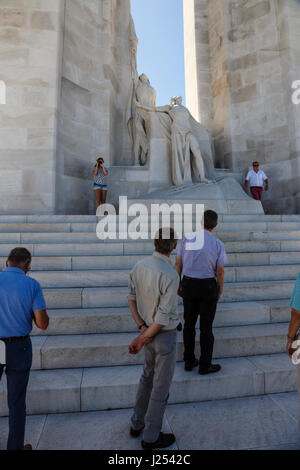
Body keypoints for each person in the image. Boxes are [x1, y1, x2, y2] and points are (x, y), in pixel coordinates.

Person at [128, 228, 180, 450]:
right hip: (163, 334)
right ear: (174, 246)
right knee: (160, 386)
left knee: (146, 378)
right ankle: (150, 437)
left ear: (154, 242)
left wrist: (141, 329)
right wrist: (142, 338)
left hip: (147, 330)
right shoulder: (170, 275)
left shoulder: (139, 266)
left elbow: (131, 299)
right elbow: (162, 317)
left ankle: (136, 423)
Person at [0, 248, 49, 451]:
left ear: (6, 263)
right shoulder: (32, 284)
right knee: (17, 402)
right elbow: (42, 324)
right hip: (18, 346)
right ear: (27, 264)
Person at [175, 210, 228, 374]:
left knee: (189, 325)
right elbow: (220, 271)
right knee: (206, 328)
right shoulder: (217, 243)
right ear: (216, 224)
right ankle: (205, 364)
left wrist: (178, 282)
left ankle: (189, 361)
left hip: (189, 285)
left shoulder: (187, 238)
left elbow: (178, 264)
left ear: (201, 222)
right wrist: (220, 289)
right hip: (207, 287)